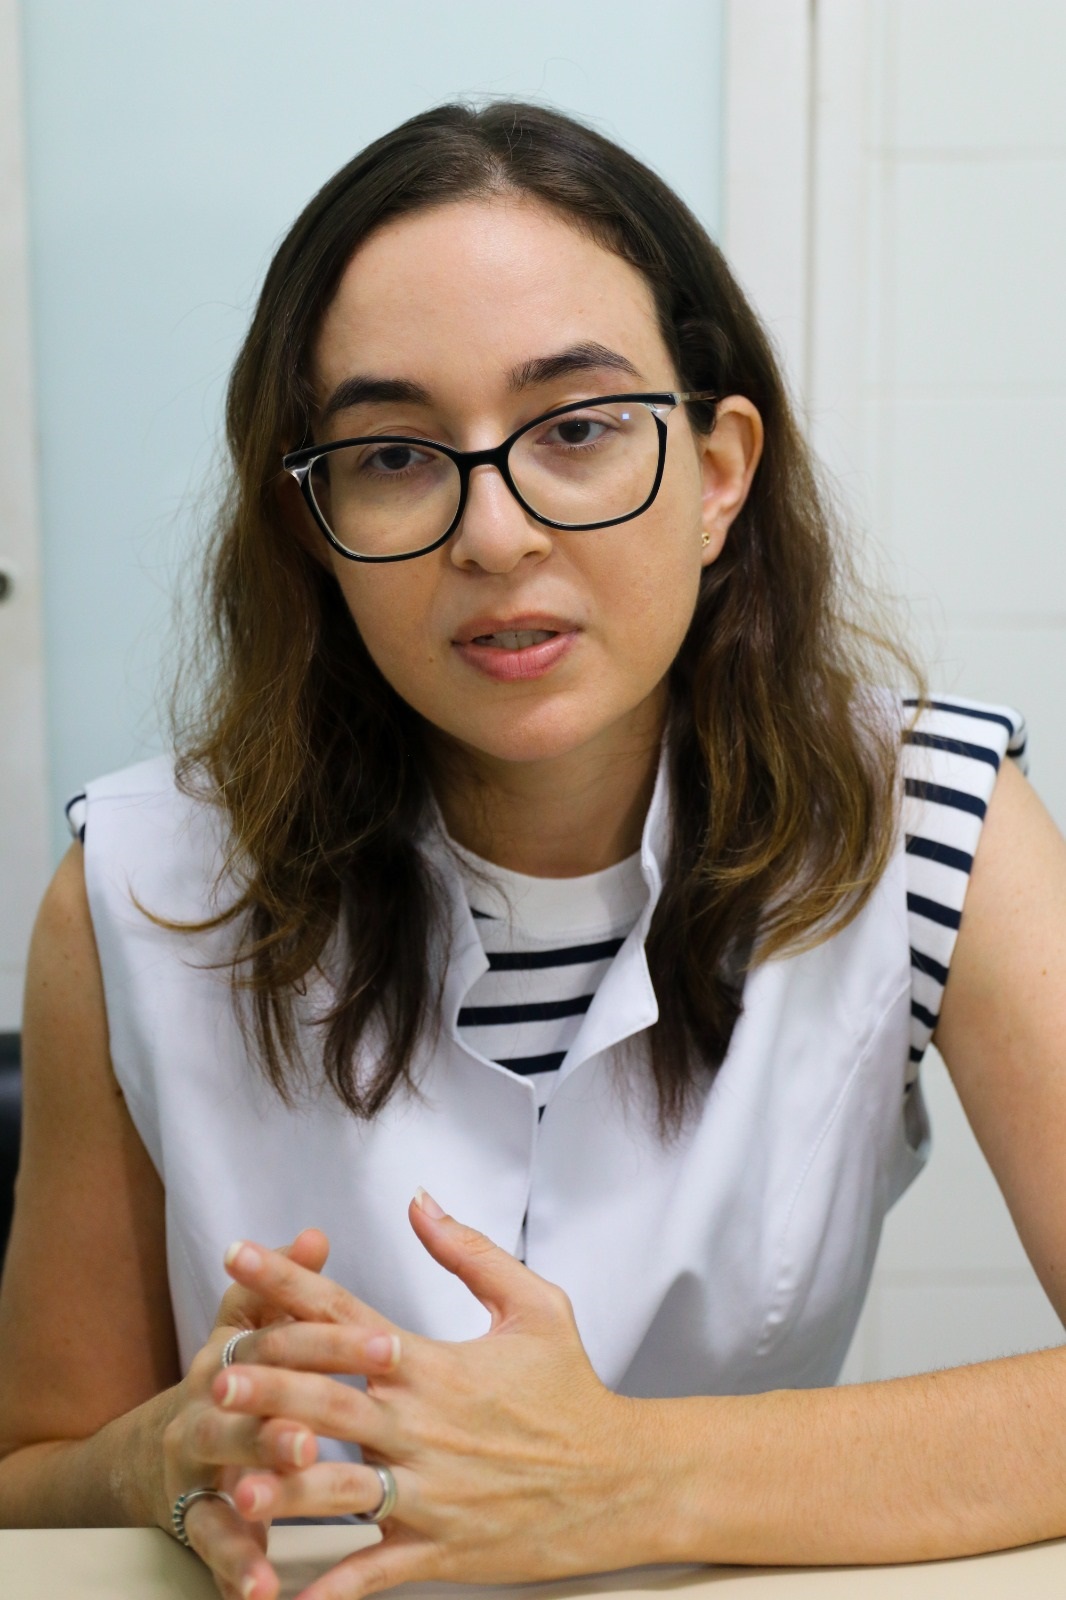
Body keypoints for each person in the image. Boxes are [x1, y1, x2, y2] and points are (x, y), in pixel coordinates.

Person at [1, 99, 1064, 1600]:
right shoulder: (135, 889)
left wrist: (627, 1477)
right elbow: (32, 1469)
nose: (493, 536)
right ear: (311, 525)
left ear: (717, 472)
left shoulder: (929, 820)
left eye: (575, 430)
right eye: (392, 454)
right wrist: (154, 1462)